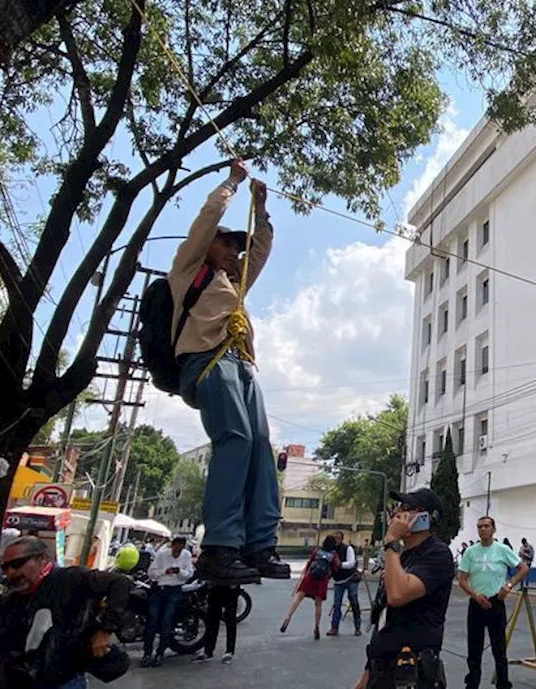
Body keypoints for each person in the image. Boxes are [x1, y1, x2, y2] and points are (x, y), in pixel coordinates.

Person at [170, 159, 285, 585]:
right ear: (209, 247)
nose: (235, 253)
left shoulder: (235, 285)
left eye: (236, 249)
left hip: (242, 365)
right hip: (207, 361)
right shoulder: (188, 272)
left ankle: (259, 544)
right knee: (235, 438)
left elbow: (260, 249)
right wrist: (233, 184)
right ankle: (220, 545)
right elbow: (206, 222)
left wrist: (261, 210)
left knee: (260, 445)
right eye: (227, 246)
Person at [0, 536, 132, 689]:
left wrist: (105, 630)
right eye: (5, 567)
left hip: (62, 680)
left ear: (42, 559)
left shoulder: (69, 580)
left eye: (18, 564)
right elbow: (5, 649)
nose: (11, 572)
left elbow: (119, 583)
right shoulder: (8, 601)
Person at [355, 489, 454, 689]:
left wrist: (392, 542)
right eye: (397, 507)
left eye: (406, 508)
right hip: (381, 670)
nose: (397, 512)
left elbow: (398, 595)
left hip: (411, 673)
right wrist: (367, 672)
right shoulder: (400, 556)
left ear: (425, 517)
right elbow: (385, 614)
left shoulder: (437, 554)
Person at [457, 516, 529, 689]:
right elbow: (462, 580)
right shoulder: (471, 552)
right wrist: (474, 595)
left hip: (496, 602)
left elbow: (523, 568)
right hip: (476, 604)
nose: (483, 529)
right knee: (474, 648)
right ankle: (472, 683)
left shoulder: (502, 550)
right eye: (480, 526)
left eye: (486, 526)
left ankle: (503, 683)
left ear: (493, 529)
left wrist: (509, 585)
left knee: (499, 648)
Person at [141, 535, 194, 667]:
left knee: (167, 620)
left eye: (180, 549)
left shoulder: (186, 555)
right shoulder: (162, 555)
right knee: (152, 620)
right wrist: (165, 571)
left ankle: (160, 652)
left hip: (174, 589)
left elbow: (189, 573)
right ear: (173, 546)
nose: (178, 552)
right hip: (159, 588)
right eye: (176, 549)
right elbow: (151, 573)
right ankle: (147, 653)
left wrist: (179, 571)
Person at [281, 535, 340, 639]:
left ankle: (288, 616)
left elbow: (310, 562)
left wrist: (306, 573)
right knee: (318, 604)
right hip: (322, 581)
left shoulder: (317, 551)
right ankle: (316, 627)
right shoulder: (333, 554)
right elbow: (336, 567)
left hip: (310, 577)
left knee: (299, 597)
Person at [193, 583, 241, 665]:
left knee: (230, 622)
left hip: (230, 589)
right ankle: (208, 651)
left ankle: (229, 651)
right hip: (215, 588)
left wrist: (235, 582)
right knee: (212, 621)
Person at [329, 530, 362, 637]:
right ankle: (334, 627)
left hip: (350, 578)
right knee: (337, 604)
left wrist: (341, 565)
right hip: (338, 580)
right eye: (335, 538)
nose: (336, 540)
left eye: (338, 538)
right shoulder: (331, 550)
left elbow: (351, 563)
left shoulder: (348, 548)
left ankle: (357, 627)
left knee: (354, 602)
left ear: (342, 539)